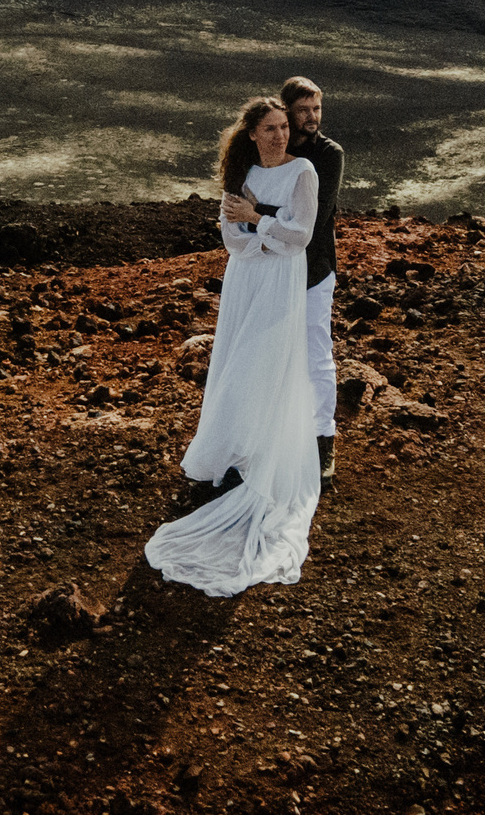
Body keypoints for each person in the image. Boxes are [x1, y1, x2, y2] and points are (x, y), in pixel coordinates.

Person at [143, 96, 322, 597]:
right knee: (233, 364)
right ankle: (234, 454)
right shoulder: (241, 173)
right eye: (270, 128)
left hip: (281, 281)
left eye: (285, 127)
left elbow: (301, 235)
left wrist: (259, 221)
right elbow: (232, 235)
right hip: (246, 277)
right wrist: (262, 232)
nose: (281, 136)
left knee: (261, 364)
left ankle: (260, 459)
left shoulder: (302, 171)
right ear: (251, 133)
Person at [279, 76, 344, 482]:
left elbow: (315, 218)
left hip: (314, 267)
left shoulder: (329, 155)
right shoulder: (273, 147)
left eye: (316, 109)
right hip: (274, 267)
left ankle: (323, 440)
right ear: (287, 111)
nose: (311, 117)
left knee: (316, 352)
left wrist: (259, 216)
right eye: (303, 110)